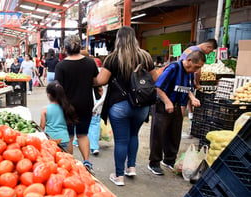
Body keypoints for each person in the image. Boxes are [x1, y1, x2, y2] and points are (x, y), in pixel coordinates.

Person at [94, 26, 157, 186]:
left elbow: (102, 80)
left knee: (121, 140)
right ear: (134, 38)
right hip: (141, 105)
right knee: (134, 135)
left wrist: (90, 79)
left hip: (119, 106)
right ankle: (131, 167)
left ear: (118, 39)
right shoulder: (146, 57)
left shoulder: (113, 58)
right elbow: (155, 79)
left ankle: (119, 176)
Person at [148, 50, 205, 176]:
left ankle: (169, 160)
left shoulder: (190, 73)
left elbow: (188, 88)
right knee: (158, 134)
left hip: (178, 106)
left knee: (174, 134)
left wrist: (192, 98)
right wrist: (168, 102)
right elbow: (158, 87)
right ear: (189, 61)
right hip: (163, 105)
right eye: (196, 67)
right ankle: (154, 163)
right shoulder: (173, 68)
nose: (196, 70)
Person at [55, 35, 99, 175]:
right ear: (80, 47)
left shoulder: (61, 65)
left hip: (67, 106)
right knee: (83, 134)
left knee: (69, 136)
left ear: (65, 49)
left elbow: (57, 88)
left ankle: (70, 164)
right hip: (86, 104)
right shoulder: (90, 63)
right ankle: (86, 162)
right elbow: (96, 82)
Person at [180, 39, 218, 136]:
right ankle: (178, 128)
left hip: (182, 78)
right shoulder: (198, 53)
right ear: (208, 47)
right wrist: (196, 83)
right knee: (183, 102)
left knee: (184, 100)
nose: (208, 53)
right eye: (210, 51)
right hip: (186, 79)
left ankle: (179, 127)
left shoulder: (190, 48)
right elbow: (197, 71)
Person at [40, 81, 77, 151]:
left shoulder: (45, 109)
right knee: (63, 159)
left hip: (51, 139)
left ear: (49, 95)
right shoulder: (66, 108)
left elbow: (42, 127)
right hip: (64, 139)